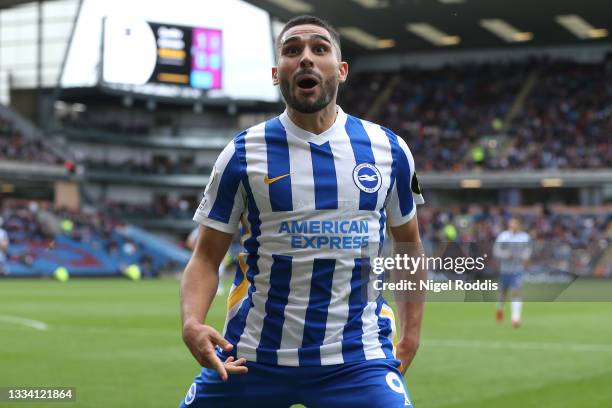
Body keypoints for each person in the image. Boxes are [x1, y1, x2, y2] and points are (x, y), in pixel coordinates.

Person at [179, 15, 425, 407]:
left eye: (319, 48)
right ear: (278, 74)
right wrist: (191, 322)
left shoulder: (388, 149)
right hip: (250, 357)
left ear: (341, 70)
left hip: (356, 360)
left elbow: (408, 247)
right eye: (292, 50)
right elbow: (206, 257)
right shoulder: (242, 153)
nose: (306, 58)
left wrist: (410, 335)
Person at [493, 217, 531, 327]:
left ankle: (516, 318)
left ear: (519, 225)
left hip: (517, 269)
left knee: (516, 291)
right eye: (511, 223)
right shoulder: (503, 236)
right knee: (503, 293)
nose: (513, 225)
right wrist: (506, 255)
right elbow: (496, 251)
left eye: (515, 223)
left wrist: (525, 258)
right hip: (505, 269)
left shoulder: (524, 237)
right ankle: (499, 309)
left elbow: (527, 251)